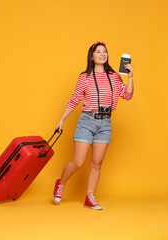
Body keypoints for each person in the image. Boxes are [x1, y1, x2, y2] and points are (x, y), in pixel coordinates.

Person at [53, 41, 134, 210]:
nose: (102, 54)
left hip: (105, 123)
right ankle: (61, 184)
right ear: (92, 56)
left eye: (105, 52)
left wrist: (131, 76)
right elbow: (75, 99)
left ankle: (89, 197)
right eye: (98, 52)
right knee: (79, 162)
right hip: (87, 121)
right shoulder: (85, 77)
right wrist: (62, 119)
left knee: (96, 163)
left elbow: (127, 95)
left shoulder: (114, 76)